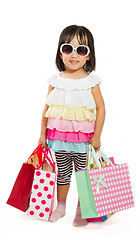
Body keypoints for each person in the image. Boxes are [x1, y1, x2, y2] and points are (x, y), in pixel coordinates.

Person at [38, 25, 105, 227]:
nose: (74, 55)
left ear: (88, 56)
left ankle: (82, 207)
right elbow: (47, 109)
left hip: (83, 141)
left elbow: (101, 109)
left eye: (81, 50)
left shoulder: (91, 82)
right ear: (60, 52)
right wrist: (42, 135)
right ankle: (61, 205)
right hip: (57, 139)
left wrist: (97, 136)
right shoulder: (55, 81)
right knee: (63, 172)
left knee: (84, 175)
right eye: (68, 48)